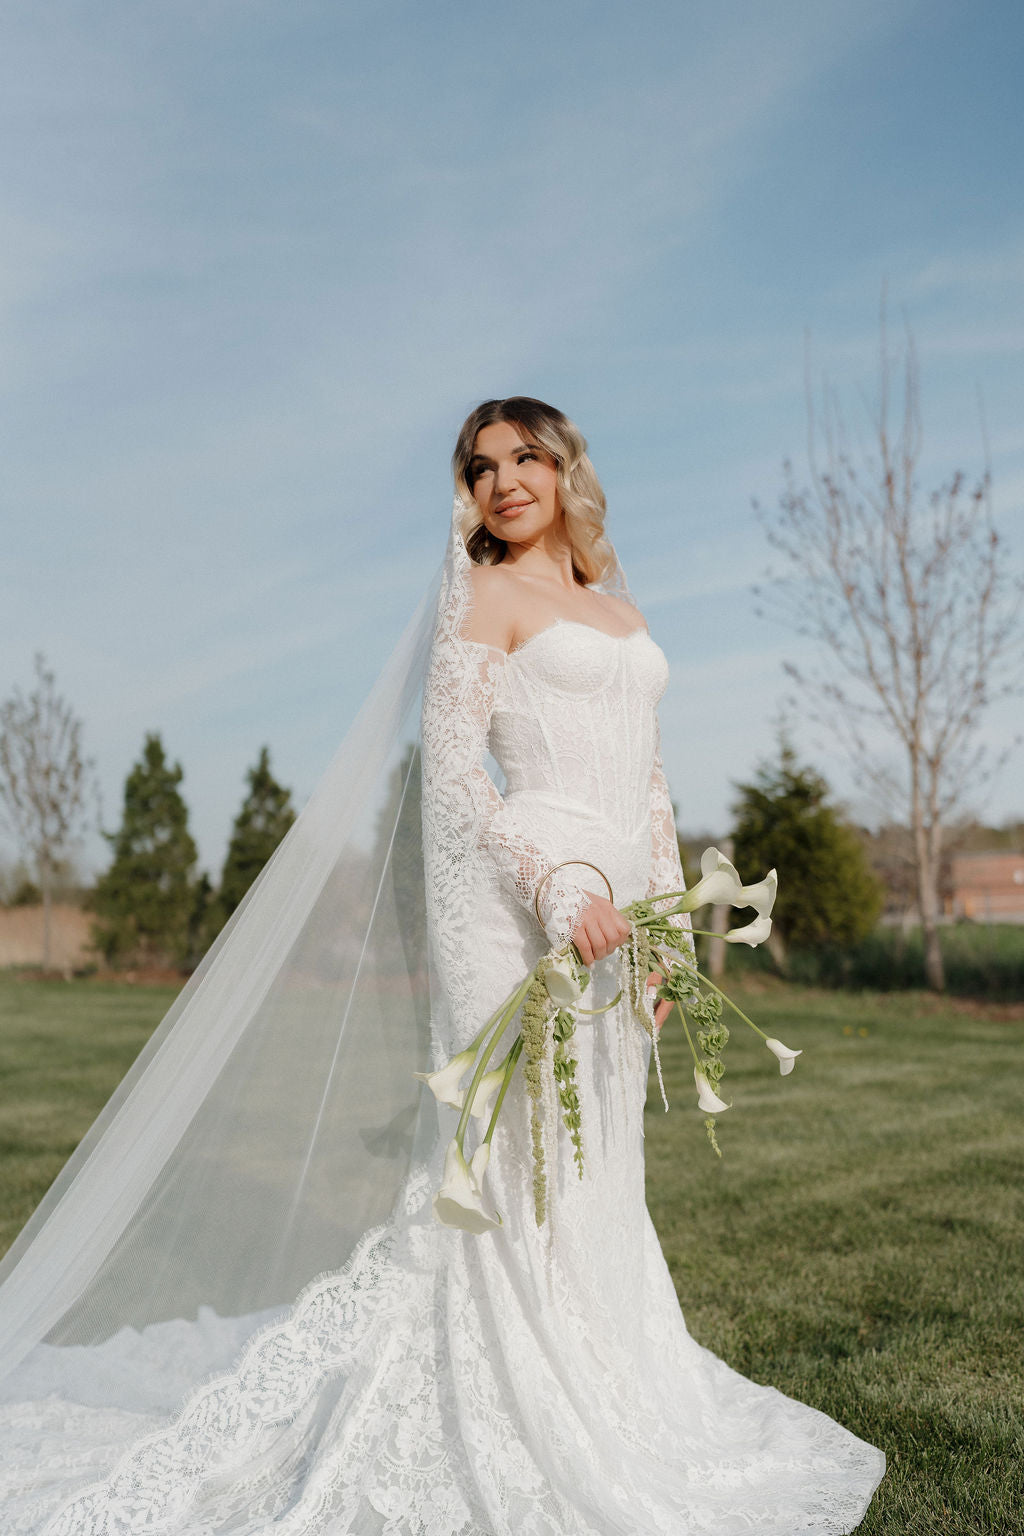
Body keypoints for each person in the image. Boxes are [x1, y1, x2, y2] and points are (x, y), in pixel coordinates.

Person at [0, 397, 886, 1533]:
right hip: (522, 907)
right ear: (465, 493)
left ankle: (611, 1374)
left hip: (626, 922)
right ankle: (521, 1403)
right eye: (480, 466)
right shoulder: (479, 595)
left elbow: (651, 781)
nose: (504, 479)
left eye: (526, 456)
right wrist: (561, 889)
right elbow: (460, 779)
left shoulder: (619, 607)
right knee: (520, 1163)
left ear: (567, 468)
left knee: (600, 1156)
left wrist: (662, 927)